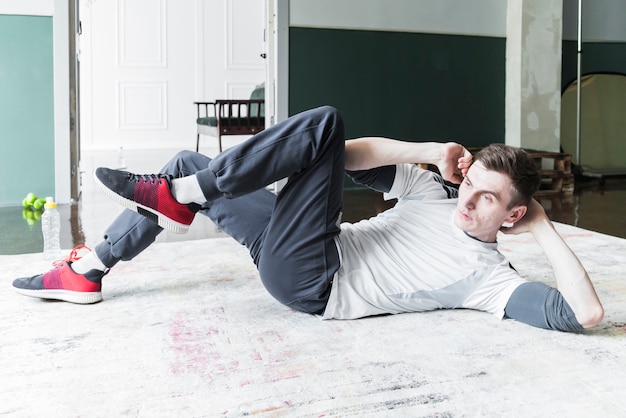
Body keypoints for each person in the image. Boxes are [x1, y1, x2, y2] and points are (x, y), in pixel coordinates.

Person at [13, 106, 604, 332]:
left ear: (514, 214)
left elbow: (586, 314)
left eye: (486, 201)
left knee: (323, 123)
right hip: (304, 244)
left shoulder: (491, 280)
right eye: (469, 185)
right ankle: (89, 268)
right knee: (186, 166)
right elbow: (348, 159)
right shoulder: (432, 194)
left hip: (316, 280)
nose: (467, 201)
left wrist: (546, 227)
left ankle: (188, 191)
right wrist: (426, 151)